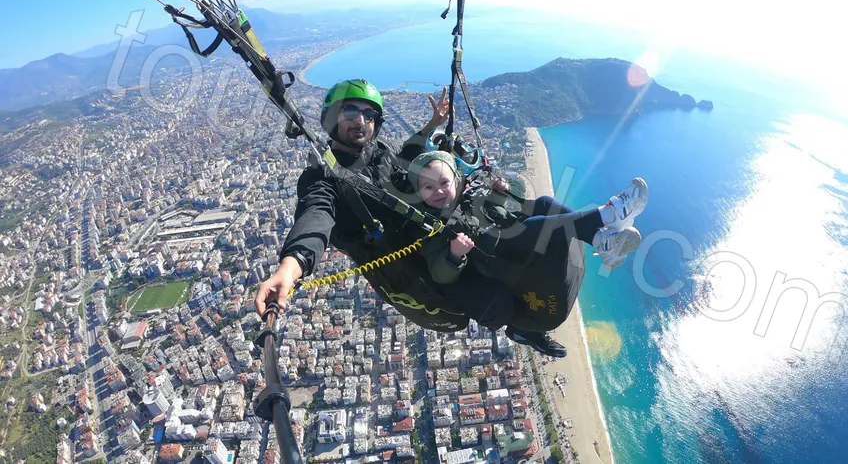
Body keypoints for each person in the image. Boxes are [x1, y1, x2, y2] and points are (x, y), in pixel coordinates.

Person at [254, 79, 458, 325]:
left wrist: (431, 126)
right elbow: (316, 214)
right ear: (331, 118)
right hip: (402, 264)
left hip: (425, 235)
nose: (360, 121)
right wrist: (291, 266)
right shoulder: (322, 176)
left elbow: (402, 157)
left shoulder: (378, 149)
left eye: (369, 114)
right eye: (350, 112)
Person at [405, 150, 648, 357]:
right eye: (428, 187)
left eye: (443, 183)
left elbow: (504, 210)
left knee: (543, 203)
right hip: (497, 261)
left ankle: (602, 240)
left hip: (509, 244)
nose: (438, 191)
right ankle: (607, 215)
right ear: (418, 193)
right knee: (530, 230)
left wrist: (500, 192)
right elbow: (439, 273)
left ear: (456, 180)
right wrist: (454, 254)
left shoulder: (469, 196)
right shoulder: (432, 228)